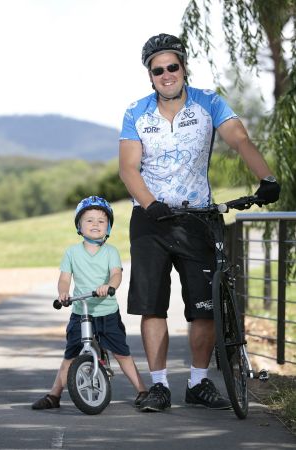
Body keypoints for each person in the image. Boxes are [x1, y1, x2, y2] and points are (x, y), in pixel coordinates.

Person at [119, 33, 280, 412]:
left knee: (204, 307)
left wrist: (267, 179)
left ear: (183, 67)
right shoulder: (136, 112)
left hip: (197, 219)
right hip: (151, 220)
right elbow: (128, 169)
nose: (166, 75)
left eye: (171, 67)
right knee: (152, 306)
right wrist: (150, 203)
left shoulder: (208, 103)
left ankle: (198, 382)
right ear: (150, 75)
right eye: (157, 70)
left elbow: (240, 140)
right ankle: (158, 387)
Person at [32, 195, 147, 410]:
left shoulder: (110, 251)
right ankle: (54, 395)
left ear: (108, 227)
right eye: (89, 220)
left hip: (106, 311)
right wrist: (63, 292)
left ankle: (142, 390)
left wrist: (109, 286)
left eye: (101, 221)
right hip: (80, 311)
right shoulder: (72, 253)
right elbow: (65, 278)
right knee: (70, 355)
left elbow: (116, 274)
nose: (95, 224)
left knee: (121, 352)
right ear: (79, 225)